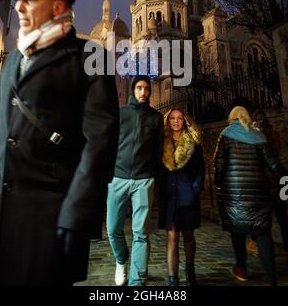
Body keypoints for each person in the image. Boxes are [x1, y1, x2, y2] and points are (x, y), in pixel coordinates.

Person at [0, 0, 119, 286]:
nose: (19, 8)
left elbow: (99, 143)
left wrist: (75, 215)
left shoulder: (91, 57)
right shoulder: (13, 60)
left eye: (29, 1)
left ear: (58, 8)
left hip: (51, 218)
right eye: (19, 0)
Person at [213, 106, 284, 286]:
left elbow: (219, 164)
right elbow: (272, 163)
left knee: (237, 231)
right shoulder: (259, 135)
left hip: (234, 192)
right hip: (258, 192)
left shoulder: (226, 134)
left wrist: (219, 183)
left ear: (232, 118)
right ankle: (270, 278)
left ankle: (241, 268)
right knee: (262, 233)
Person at [106, 75, 163, 286]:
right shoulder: (120, 114)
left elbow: (157, 152)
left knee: (141, 233)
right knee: (113, 229)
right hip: (117, 178)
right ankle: (121, 260)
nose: (143, 92)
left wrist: (153, 179)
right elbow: (109, 145)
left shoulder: (156, 118)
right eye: (139, 88)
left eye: (146, 88)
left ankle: (136, 282)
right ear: (133, 90)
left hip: (143, 180)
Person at [158, 108, 205, 286]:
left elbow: (201, 170)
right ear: (168, 121)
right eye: (172, 119)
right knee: (172, 237)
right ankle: (172, 278)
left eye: (179, 118)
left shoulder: (193, 142)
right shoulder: (162, 143)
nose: (176, 121)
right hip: (169, 197)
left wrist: (195, 189)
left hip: (188, 195)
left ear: (184, 121)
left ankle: (190, 269)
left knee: (188, 236)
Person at [246, 109, 288, 264]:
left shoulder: (270, 135)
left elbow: (275, 153)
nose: (261, 123)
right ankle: (257, 243)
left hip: (275, 182)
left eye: (262, 120)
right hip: (263, 183)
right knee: (264, 217)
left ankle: (284, 247)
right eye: (258, 120)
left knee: (282, 216)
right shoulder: (254, 137)